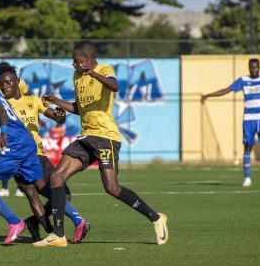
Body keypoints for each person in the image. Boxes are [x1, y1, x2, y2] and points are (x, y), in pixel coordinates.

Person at [37, 41, 168, 247]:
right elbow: (80, 108)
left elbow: (115, 86)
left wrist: (94, 74)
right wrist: (55, 100)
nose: (74, 64)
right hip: (86, 136)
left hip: (106, 137)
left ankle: (156, 218)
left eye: (77, 61)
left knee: (112, 188)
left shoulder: (105, 69)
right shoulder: (77, 77)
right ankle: (58, 235)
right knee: (56, 177)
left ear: (87, 60)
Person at [0, 64, 81, 246]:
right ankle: (78, 221)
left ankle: (15, 222)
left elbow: (1, 111)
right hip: (27, 142)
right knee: (41, 186)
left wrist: (4, 130)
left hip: (15, 144)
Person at [0, 62, 90, 244]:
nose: (4, 86)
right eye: (1, 84)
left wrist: (59, 116)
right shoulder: (2, 106)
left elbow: (53, 115)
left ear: (17, 82)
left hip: (38, 154)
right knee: (32, 193)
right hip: (18, 157)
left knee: (62, 193)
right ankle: (53, 232)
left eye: (7, 82)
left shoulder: (33, 101)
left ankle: (34, 222)